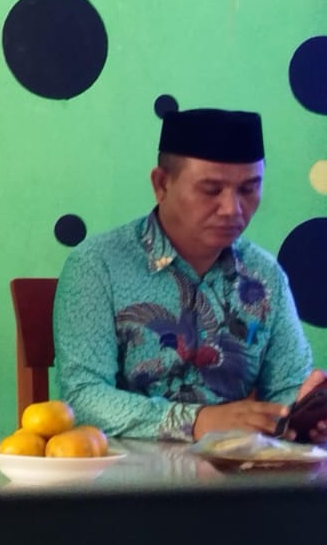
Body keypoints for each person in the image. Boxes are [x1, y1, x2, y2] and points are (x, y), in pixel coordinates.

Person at [54, 107, 326, 442]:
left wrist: (302, 413)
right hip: (122, 483)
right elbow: (81, 398)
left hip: (238, 482)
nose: (232, 209)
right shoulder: (97, 266)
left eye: (248, 189)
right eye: (211, 190)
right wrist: (196, 421)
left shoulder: (265, 275)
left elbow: (288, 387)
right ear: (161, 184)